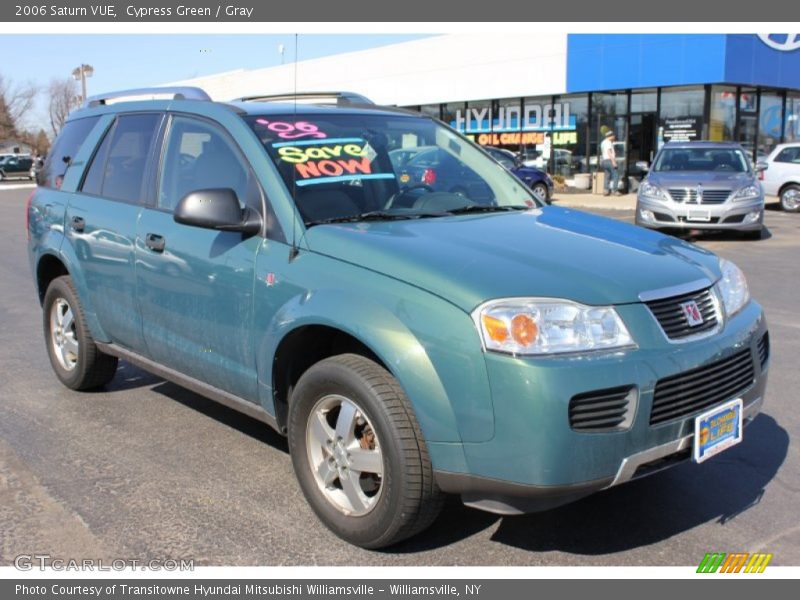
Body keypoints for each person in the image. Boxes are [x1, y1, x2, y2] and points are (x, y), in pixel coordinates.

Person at [600, 130, 620, 196]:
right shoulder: (608, 142)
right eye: (613, 136)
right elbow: (609, 152)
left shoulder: (603, 142)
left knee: (607, 175)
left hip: (604, 161)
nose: (614, 137)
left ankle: (606, 190)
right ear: (610, 136)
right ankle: (615, 190)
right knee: (616, 175)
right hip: (609, 160)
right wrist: (613, 161)